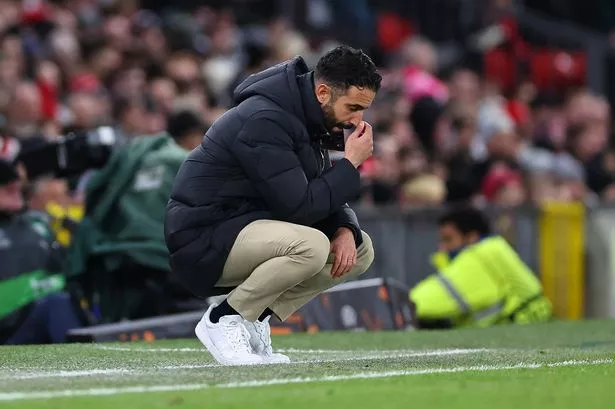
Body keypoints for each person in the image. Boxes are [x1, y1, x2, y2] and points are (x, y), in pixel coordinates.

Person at [165, 45, 380, 365]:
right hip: (203, 237)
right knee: (312, 246)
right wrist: (350, 164)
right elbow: (298, 207)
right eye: (352, 107)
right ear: (323, 92)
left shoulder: (307, 118)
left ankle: (253, 317)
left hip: (243, 227)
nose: (356, 120)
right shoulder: (265, 118)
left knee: (360, 250)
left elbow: (313, 189)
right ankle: (223, 318)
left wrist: (345, 227)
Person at [409, 206, 552, 329]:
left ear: (472, 238)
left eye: (448, 239)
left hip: (517, 331)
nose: (442, 247)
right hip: (529, 325)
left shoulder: (479, 255)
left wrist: (400, 306)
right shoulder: (494, 250)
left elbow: (430, 298)